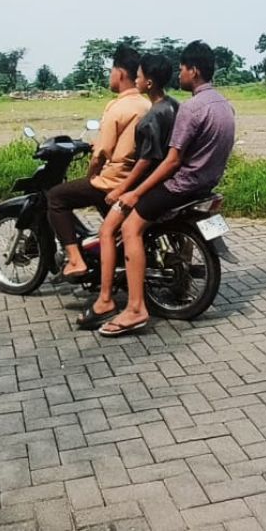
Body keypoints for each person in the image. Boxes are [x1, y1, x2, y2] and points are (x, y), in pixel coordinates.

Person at [97, 40, 236, 337]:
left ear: (194, 71)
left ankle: (135, 308)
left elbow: (172, 162)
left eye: (184, 69)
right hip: (206, 185)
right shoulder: (225, 105)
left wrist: (133, 192)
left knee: (130, 227)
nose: (180, 74)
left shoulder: (192, 108)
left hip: (182, 186)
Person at [77, 52, 178, 330]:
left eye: (140, 75)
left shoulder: (151, 117)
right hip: (163, 182)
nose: (136, 78)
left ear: (149, 82)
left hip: (143, 184)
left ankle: (106, 299)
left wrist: (124, 188)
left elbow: (145, 160)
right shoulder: (173, 107)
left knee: (108, 230)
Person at [46, 44, 148, 281]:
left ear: (120, 73)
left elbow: (100, 153)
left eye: (111, 70)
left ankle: (75, 259)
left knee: (56, 197)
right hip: (137, 177)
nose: (110, 76)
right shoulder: (146, 104)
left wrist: (91, 175)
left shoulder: (117, 107)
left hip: (115, 179)